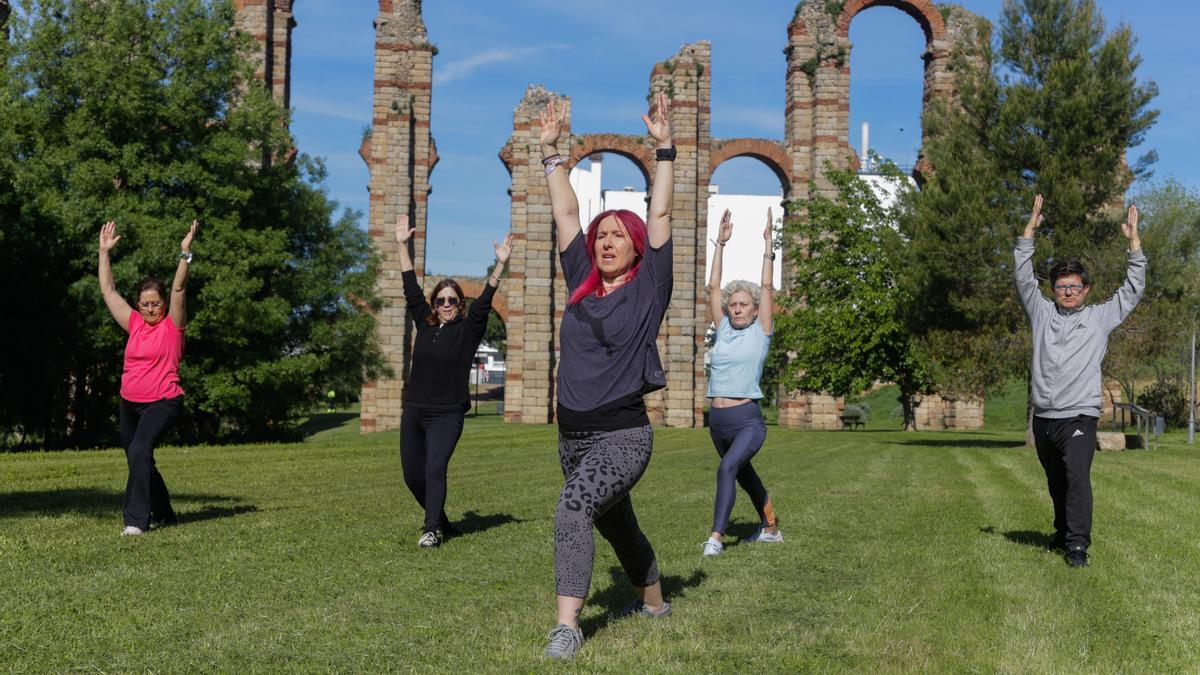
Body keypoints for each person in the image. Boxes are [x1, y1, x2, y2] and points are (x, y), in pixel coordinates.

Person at [538, 92, 675, 659]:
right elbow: (567, 212)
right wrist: (551, 156)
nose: (606, 240)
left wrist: (664, 150)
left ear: (637, 246)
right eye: (602, 235)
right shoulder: (579, 279)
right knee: (617, 527)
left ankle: (567, 627)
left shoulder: (649, 288)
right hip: (572, 436)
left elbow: (662, 213)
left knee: (573, 508)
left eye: (619, 234)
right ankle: (655, 605)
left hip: (623, 435)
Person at [1014, 194, 1145, 568]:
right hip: (1044, 418)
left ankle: (1077, 546)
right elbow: (1023, 277)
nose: (1068, 293)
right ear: (1053, 290)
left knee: (1076, 477)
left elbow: (1132, 290)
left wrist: (1133, 242)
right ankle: (1061, 531)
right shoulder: (1040, 313)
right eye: (1061, 287)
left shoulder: (1100, 318)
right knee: (1056, 482)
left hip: (1079, 417)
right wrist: (1029, 233)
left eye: (1074, 287)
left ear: (1085, 289)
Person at [395, 213, 513, 548]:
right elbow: (409, 288)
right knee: (412, 476)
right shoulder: (426, 323)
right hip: (415, 411)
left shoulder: (468, 330)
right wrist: (402, 245)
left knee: (435, 467)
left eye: (452, 300)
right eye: (441, 300)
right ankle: (442, 521)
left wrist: (499, 267)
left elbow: (485, 303)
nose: (446, 304)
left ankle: (430, 529)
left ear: (460, 304)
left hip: (446, 413)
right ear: (434, 303)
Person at [97, 219, 196, 537]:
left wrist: (185, 253)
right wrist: (104, 252)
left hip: (163, 401)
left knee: (140, 451)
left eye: (156, 303)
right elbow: (108, 290)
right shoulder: (135, 324)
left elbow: (180, 287)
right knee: (138, 459)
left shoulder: (173, 326)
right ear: (138, 306)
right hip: (129, 402)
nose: (151, 308)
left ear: (164, 304)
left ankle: (136, 521)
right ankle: (165, 513)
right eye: (145, 304)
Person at [701, 207, 781, 557]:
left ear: (753, 309)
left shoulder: (760, 333)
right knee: (744, 475)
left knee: (727, 468)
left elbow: (765, 285)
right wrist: (721, 243)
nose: (735, 308)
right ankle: (771, 528)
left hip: (747, 419)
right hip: (717, 422)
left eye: (742, 304)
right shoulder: (722, 330)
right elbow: (713, 286)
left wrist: (768, 245)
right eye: (732, 304)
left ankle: (716, 538)